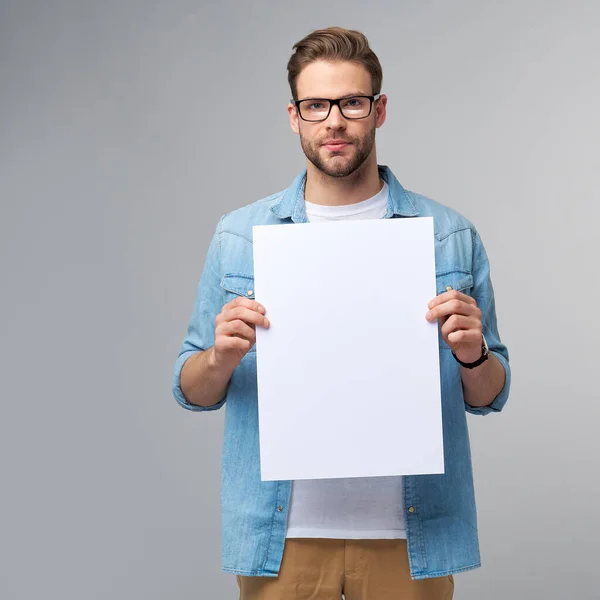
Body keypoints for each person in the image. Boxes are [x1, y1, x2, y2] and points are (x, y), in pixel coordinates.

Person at [172, 26, 511, 600]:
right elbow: (191, 388)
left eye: (351, 102)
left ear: (378, 111)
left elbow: (489, 394)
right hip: (284, 538)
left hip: (411, 536)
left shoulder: (449, 236)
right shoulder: (240, 236)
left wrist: (473, 354)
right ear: (294, 115)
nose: (334, 120)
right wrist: (221, 355)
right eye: (316, 105)